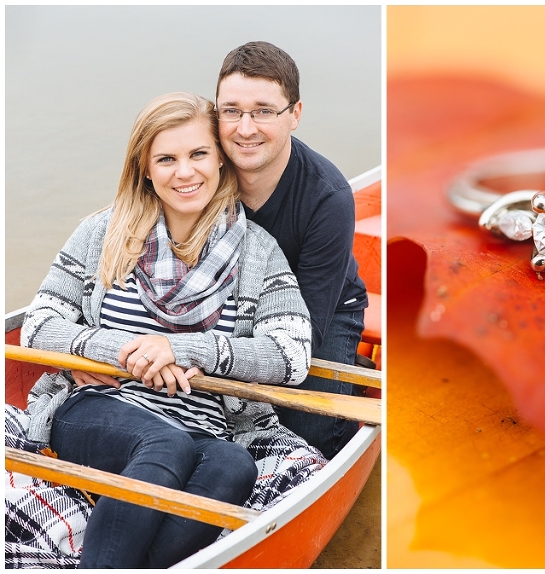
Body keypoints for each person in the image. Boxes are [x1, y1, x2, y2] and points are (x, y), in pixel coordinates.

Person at [19, 92, 314, 568]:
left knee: (234, 465)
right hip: (100, 408)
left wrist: (180, 348)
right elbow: (37, 325)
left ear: (220, 158)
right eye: (166, 159)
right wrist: (119, 351)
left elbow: (292, 353)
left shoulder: (258, 252)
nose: (185, 172)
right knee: (165, 444)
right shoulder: (102, 232)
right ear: (145, 169)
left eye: (198, 154)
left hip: (205, 425)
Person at [214, 41, 369, 459]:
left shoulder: (328, 197)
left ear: (294, 114)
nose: (245, 128)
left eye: (264, 111)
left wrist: (216, 358)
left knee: (305, 433)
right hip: (227, 307)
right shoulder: (198, 172)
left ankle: (352, 375)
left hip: (321, 311)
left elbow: (306, 332)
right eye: (231, 110)